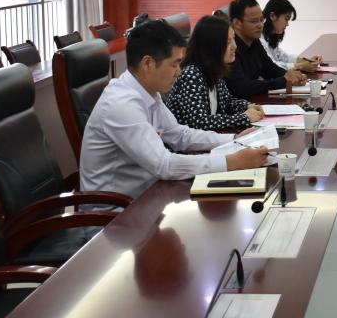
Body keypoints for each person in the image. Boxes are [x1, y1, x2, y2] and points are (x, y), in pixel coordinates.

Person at [80, 19, 268, 199]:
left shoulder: (148, 92)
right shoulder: (121, 104)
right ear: (148, 63)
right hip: (117, 211)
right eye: (174, 64)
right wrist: (231, 161)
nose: (179, 71)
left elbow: (179, 135)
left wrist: (235, 139)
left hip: (150, 194)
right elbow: (164, 164)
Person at [166, 14, 265, 131]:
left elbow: (227, 102)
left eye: (233, 39)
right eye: (227, 42)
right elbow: (199, 123)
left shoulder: (213, 70)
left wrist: (247, 106)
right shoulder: (191, 75)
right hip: (187, 142)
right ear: (211, 46)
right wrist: (243, 117)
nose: (234, 46)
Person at [224, 0, 306, 98]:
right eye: (254, 21)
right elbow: (241, 88)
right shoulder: (229, 49)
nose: (260, 25)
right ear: (237, 23)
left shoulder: (254, 41)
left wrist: (293, 76)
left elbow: (270, 69)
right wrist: (284, 80)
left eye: (261, 20)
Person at [261, 0, 322, 73]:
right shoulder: (260, 40)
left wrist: (307, 61)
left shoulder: (269, 37)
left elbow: (284, 57)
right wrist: (301, 66)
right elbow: (272, 66)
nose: (287, 24)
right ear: (272, 16)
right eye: (286, 19)